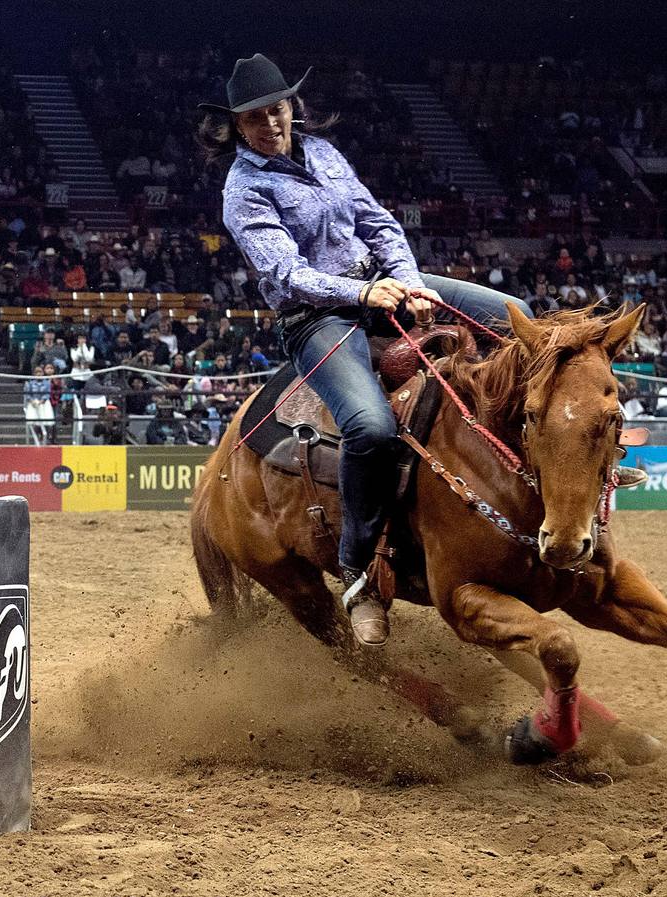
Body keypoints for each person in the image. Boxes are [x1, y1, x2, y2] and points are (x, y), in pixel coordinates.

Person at [199, 54, 533, 644]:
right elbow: (287, 273)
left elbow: (378, 222)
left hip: (382, 289)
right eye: (254, 119)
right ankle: (357, 568)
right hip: (318, 320)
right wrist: (367, 291)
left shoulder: (324, 154)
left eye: (276, 111)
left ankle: (542, 467)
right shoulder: (243, 189)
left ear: (291, 107)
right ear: (237, 127)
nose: (270, 125)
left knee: (520, 320)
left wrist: (409, 283)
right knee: (370, 426)